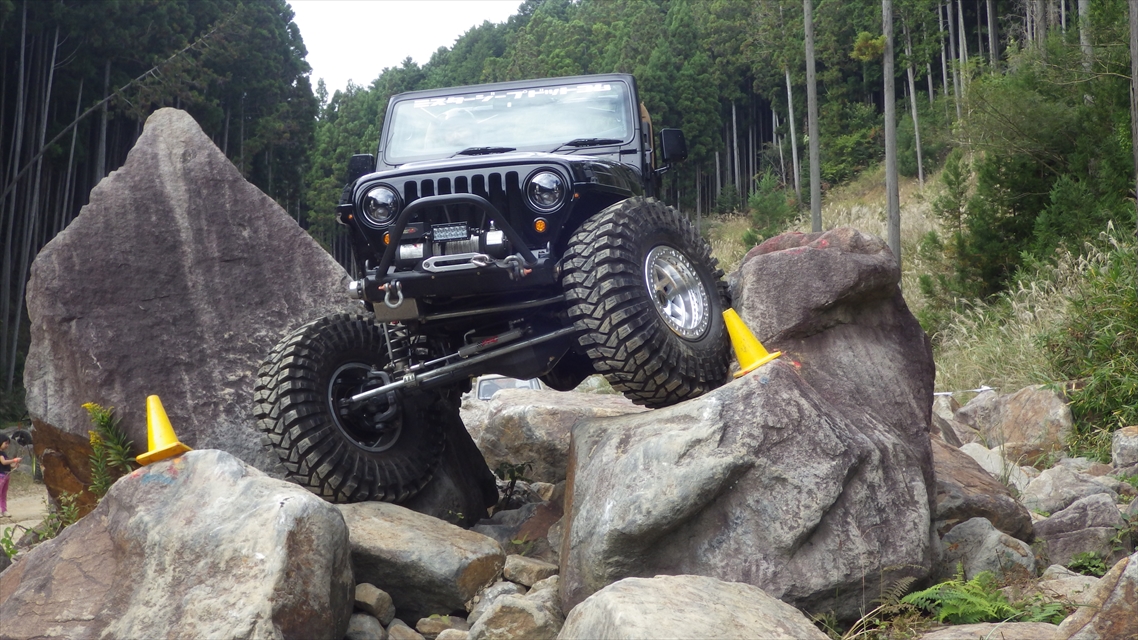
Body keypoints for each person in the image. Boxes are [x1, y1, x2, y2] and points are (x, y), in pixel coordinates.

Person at [0, 434, 22, 517]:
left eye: (8, 443)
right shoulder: (0, 454)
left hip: (6, 475)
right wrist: (14, 460)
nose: (7, 445)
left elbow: (7, 465)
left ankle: (4, 510)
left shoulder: (4, 454)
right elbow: (4, 462)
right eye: (5, 443)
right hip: (1, 476)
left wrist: (15, 465)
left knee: (3, 494)